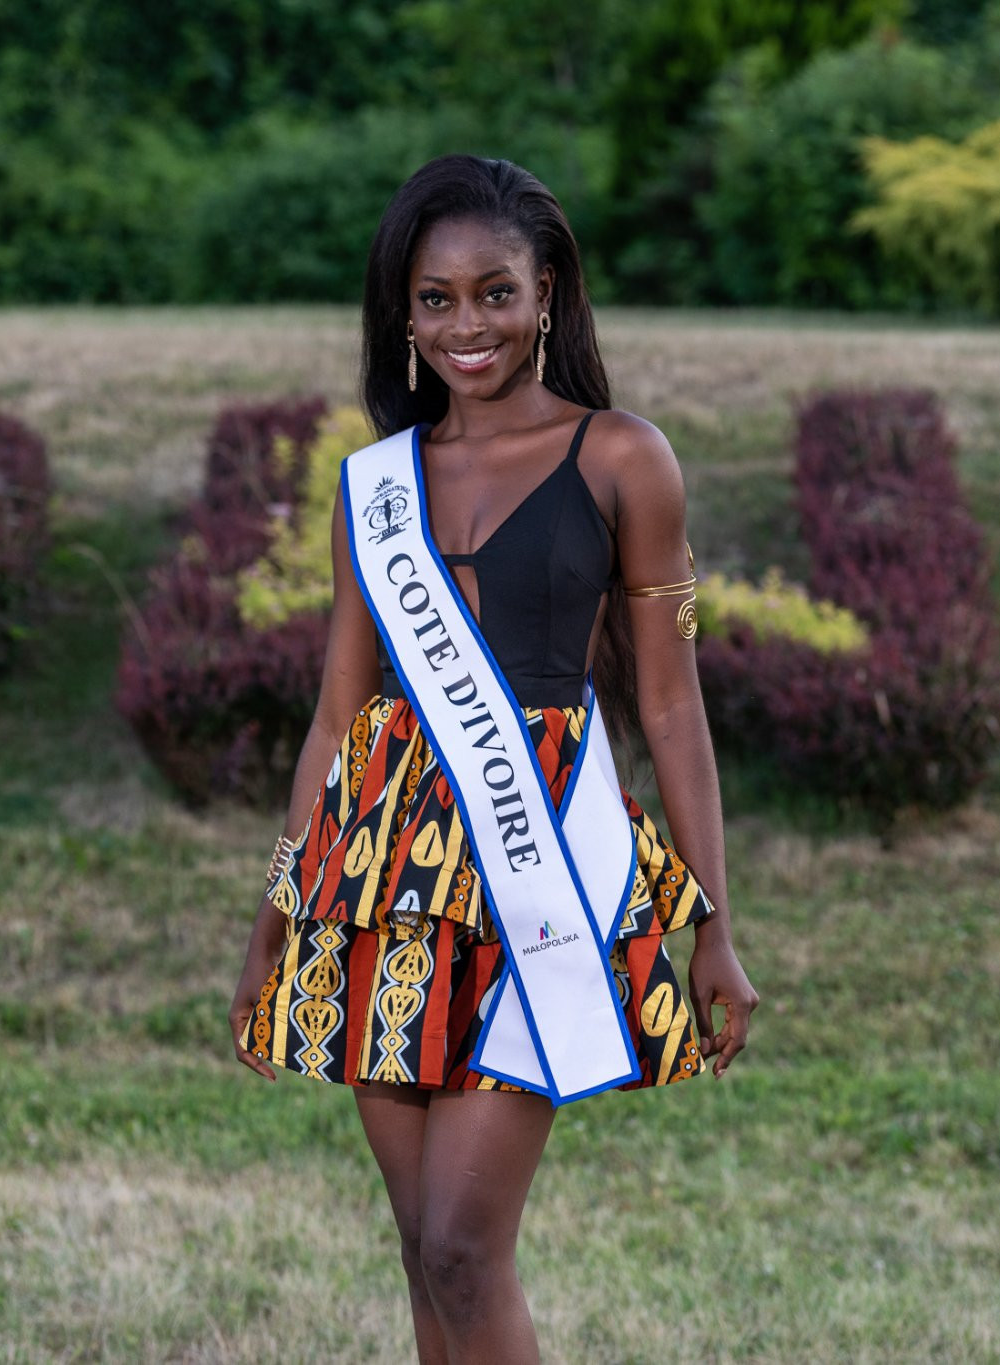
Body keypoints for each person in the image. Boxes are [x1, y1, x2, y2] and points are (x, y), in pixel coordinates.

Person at [226, 152, 758, 1363]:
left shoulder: (624, 458)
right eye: (435, 300)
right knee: (425, 1251)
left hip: (546, 868)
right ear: (401, 315)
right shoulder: (374, 488)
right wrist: (275, 912)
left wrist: (712, 921)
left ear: (549, 294)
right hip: (380, 884)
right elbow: (334, 720)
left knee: (466, 1243)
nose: (467, 324)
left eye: (494, 292)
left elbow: (672, 711)